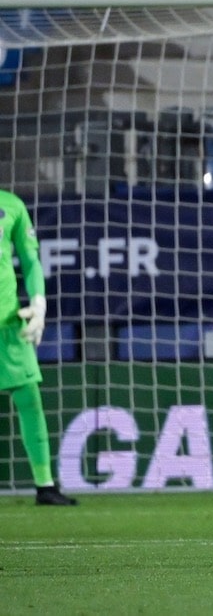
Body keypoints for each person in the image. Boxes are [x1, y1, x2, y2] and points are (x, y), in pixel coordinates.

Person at [0, 189, 77, 506]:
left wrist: (39, 304)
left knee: (29, 397)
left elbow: (31, 259)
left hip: (7, 321)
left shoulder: (11, 205)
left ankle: (45, 486)